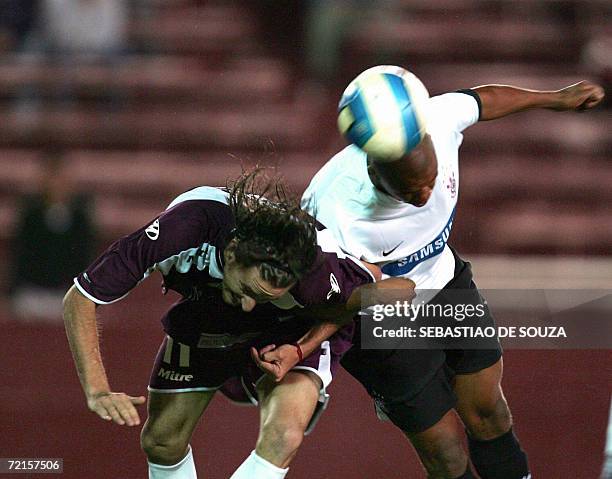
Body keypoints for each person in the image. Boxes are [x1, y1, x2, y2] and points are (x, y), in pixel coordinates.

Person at [254, 78, 605, 478]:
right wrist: (302, 349)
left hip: (444, 284)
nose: (424, 193)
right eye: (408, 189)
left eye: (430, 179)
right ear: (374, 171)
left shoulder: (436, 121)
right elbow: (325, 299)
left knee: (489, 412)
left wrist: (555, 98)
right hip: (376, 322)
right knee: (446, 456)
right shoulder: (334, 208)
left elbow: (482, 100)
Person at [63, 170, 413, 479]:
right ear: (230, 253)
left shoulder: (314, 270)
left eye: (264, 294)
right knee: (161, 441)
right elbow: (80, 296)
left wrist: (300, 349)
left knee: (284, 434)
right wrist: (97, 390)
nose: (249, 303)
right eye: (248, 289)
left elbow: (384, 289)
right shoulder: (182, 229)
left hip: (288, 326)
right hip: (208, 312)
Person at [10, 151, 96, 320]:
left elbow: (85, 257)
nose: (57, 184)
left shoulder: (81, 218)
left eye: (61, 178)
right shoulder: (30, 215)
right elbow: (20, 255)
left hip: (68, 293)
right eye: (53, 178)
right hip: (32, 295)